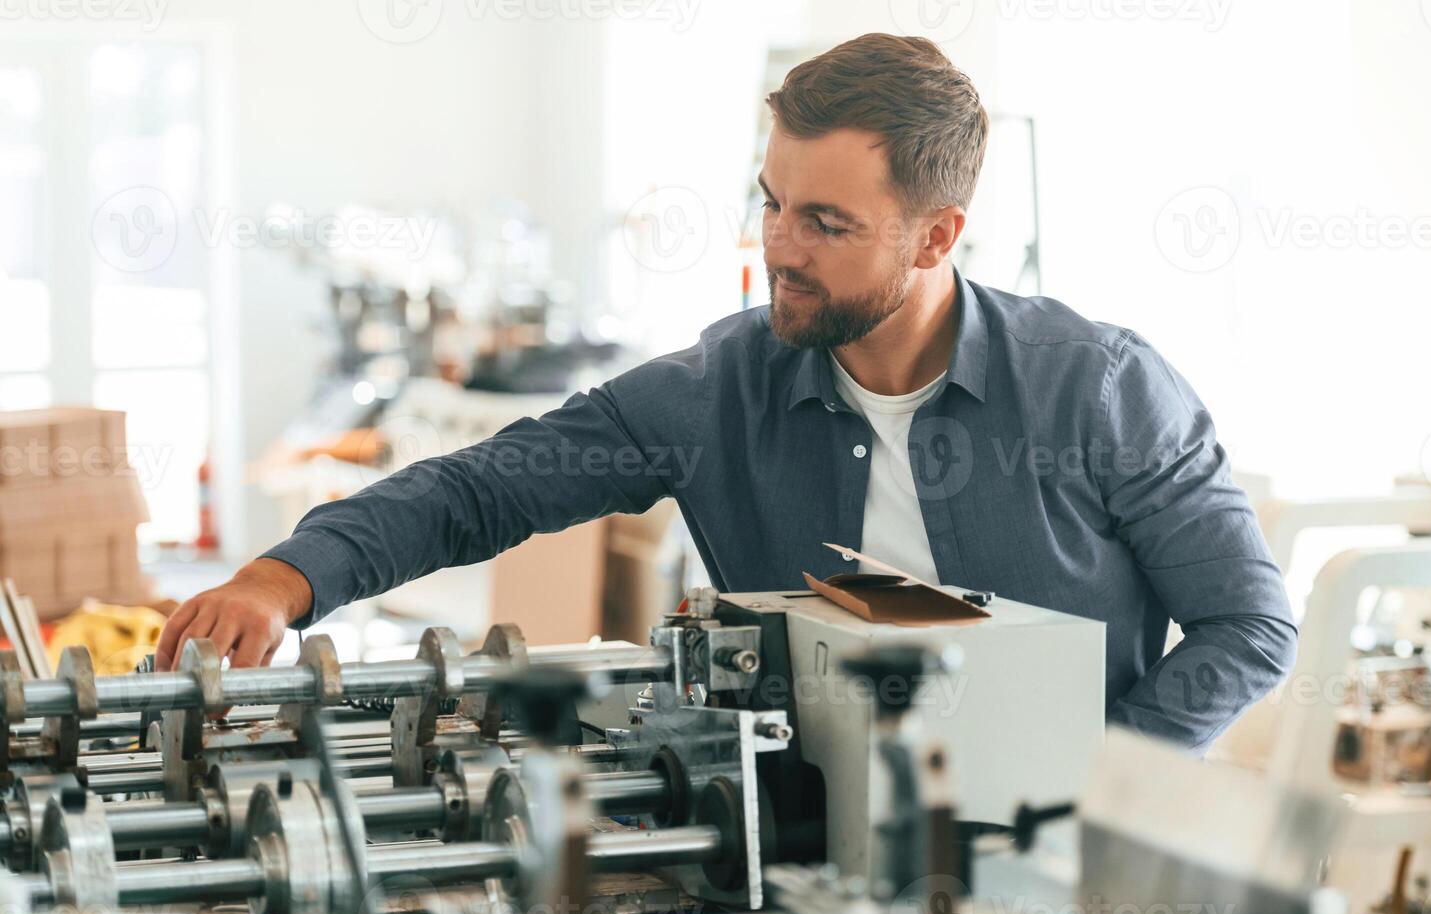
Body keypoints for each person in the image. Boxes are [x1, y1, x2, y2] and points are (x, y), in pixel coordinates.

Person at [156, 33, 1294, 753]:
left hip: (1054, 863)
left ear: (939, 233)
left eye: (827, 223)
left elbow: (1249, 624)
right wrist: (289, 574)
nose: (777, 251)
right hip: (807, 850)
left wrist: (1106, 778)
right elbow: (486, 487)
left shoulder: (1101, 389)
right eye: (771, 203)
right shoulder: (718, 389)